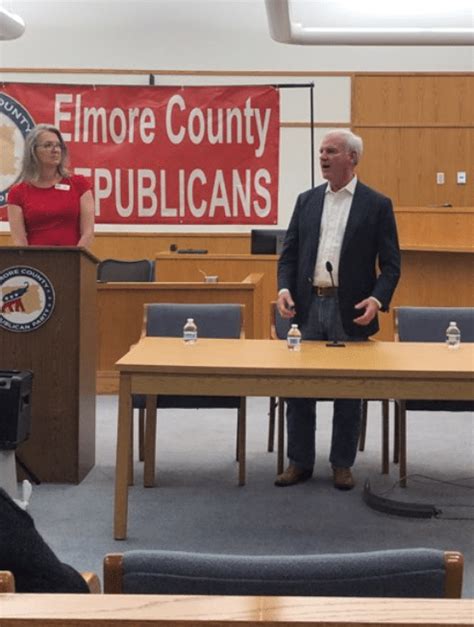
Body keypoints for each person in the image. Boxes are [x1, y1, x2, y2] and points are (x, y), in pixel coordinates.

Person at [275, 129, 401, 491]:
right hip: (308, 305)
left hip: (352, 309)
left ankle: (342, 464)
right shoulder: (306, 201)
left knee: (349, 389)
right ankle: (299, 461)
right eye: (321, 151)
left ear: (352, 158)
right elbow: (290, 255)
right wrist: (284, 288)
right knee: (299, 387)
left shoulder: (376, 204)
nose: (323, 156)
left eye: (331, 151)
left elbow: (391, 264)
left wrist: (377, 300)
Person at [7, 124, 94, 248]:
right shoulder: (17, 193)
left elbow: (88, 233)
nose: (55, 150)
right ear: (33, 151)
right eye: (48, 145)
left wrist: (75, 259)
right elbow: (19, 240)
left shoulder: (79, 184)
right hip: (35, 263)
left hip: (73, 261)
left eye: (58, 145)